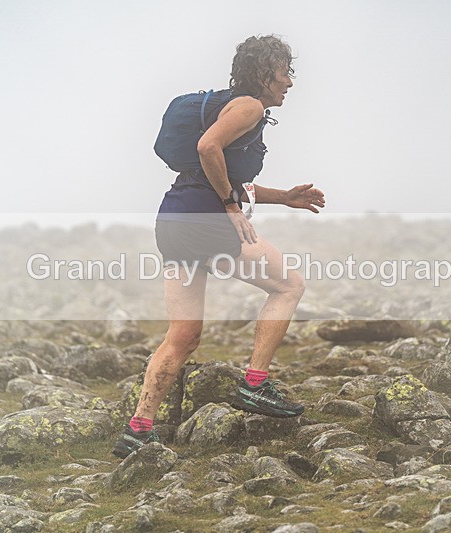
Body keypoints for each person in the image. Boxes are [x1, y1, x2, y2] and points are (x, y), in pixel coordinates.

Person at [112, 35, 325, 459]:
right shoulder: (250, 105)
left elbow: (220, 172)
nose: (290, 82)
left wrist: (283, 196)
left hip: (174, 218)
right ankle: (255, 384)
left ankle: (138, 429)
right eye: (285, 72)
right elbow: (207, 148)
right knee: (288, 286)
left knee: (183, 335)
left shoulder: (234, 106)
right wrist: (230, 207)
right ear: (265, 73)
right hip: (203, 220)